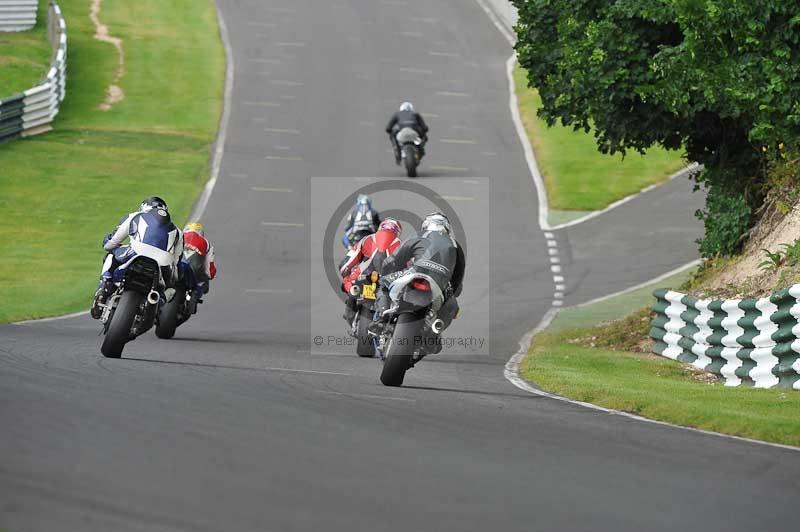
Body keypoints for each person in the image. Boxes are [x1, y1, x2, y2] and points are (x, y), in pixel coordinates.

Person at [372, 212, 465, 346]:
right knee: (452, 306)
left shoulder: (419, 235)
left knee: (383, 282)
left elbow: (395, 259)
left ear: (426, 225)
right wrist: (453, 292)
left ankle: (380, 319)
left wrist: (388, 270)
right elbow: (458, 275)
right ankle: (434, 333)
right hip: (439, 281)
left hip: (414, 272)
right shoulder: (455, 245)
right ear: (446, 227)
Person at [90, 196, 183, 319]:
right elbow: (176, 262)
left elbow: (112, 242)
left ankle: (104, 288)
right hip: (163, 263)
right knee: (171, 289)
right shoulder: (178, 232)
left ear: (144, 207)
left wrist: (106, 243)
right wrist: (172, 278)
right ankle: (158, 303)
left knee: (111, 254)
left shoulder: (135, 216)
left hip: (135, 253)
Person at [339, 218, 403, 324]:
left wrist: (345, 272)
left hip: (365, 276)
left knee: (348, 282)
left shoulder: (367, 239)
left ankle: (350, 308)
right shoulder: (400, 244)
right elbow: (407, 265)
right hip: (385, 280)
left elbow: (348, 260)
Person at [181, 222, 217, 300]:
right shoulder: (206, 243)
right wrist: (211, 275)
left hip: (178, 268)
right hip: (195, 271)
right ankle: (195, 293)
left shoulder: (179, 236)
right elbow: (209, 267)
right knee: (204, 283)